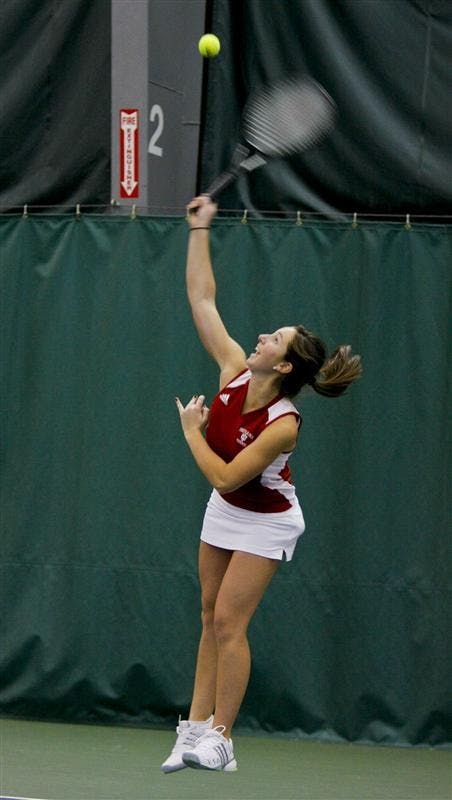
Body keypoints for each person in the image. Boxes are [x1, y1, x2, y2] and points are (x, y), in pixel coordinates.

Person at [161, 195, 362, 773]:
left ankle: (222, 738)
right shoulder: (231, 371)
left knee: (230, 621)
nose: (261, 338)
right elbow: (202, 297)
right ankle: (193, 729)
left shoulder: (283, 426)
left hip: (268, 517)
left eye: (273, 340)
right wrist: (199, 228)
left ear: (285, 367)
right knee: (207, 614)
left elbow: (224, 472)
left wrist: (191, 432)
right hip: (225, 509)